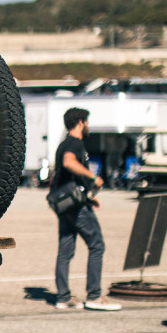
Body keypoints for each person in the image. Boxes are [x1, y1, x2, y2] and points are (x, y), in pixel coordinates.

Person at [53, 107, 121, 311]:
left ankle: (63, 297)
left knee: (65, 249)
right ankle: (94, 296)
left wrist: (89, 199)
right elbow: (69, 163)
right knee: (97, 245)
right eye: (87, 122)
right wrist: (93, 177)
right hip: (75, 206)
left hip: (65, 204)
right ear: (81, 122)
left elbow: (66, 177)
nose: (88, 126)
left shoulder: (63, 143)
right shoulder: (75, 143)